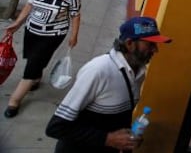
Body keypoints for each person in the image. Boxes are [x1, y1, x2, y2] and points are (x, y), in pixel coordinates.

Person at [46, 16, 172, 153]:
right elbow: (56, 127)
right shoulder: (98, 70)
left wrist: (129, 139)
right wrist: (108, 139)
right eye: (150, 44)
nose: (155, 50)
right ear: (129, 43)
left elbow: (117, 119)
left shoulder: (139, 72)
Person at [4, 0, 81, 118]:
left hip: (53, 34)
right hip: (32, 29)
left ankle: (15, 100)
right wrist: (18, 23)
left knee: (32, 65)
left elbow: (75, 14)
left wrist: (74, 35)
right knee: (32, 57)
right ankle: (37, 77)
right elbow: (30, 4)